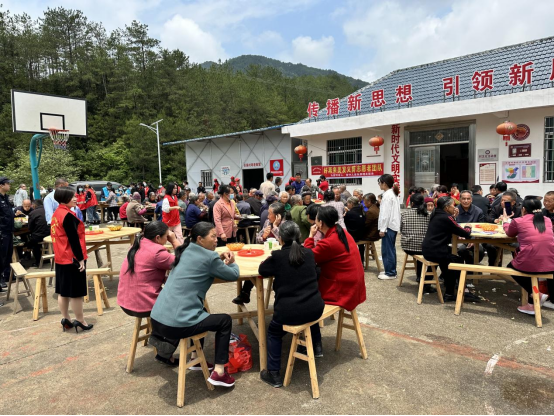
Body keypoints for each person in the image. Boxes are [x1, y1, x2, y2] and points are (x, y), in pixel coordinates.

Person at [149, 222, 239, 387]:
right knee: (225, 321)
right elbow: (233, 274)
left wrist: (217, 259)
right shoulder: (210, 257)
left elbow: (201, 264)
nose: (216, 240)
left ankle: (195, 359)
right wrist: (232, 261)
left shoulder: (185, 250)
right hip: (175, 325)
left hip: (156, 320)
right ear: (200, 239)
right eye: (213, 236)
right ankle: (219, 372)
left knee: (201, 311)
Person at [259, 222, 325, 388]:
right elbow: (316, 272)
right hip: (315, 307)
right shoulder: (309, 253)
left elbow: (262, 270)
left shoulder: (278, 256)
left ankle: (274, 373)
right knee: (308, 313)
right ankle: (317, 348)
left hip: (289, 312)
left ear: (280, 238)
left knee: (274, 333)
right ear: (300, 236)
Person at [304, 206, 367, 356]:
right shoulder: (342, 232)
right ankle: (315, 343)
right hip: (354, 284)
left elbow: (308, 258)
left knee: (306, 300)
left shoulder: (329, 242)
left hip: (343, 289)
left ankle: (314, 344)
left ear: (320, 223)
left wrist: (310, 236)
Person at [500, 199, 554, 315]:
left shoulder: (519, 221)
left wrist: (505, 221)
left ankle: (537, 294)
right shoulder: (547, 220)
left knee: (511, 268)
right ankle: (531, 305)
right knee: (528, 269)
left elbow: (509, 233)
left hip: (530, 261)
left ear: (523, 209)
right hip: (551, 262)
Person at [118, 222, 180, 320]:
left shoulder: (136, 245)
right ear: (157, 238)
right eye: (166, 236)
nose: (167, 239)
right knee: (183, 298)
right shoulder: (157, 252)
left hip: (125, 303)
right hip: (145, 306)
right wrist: (174, 240)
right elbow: (184, 261)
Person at [50, 187, 92, 333]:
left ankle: (66, 319)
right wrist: (80, 259)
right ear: (64, 198)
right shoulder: (67, 215)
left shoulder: (57, 214)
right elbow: (74, 240)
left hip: (60, 257)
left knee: (63, 291)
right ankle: (80, 320)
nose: (75, 199)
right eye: (72, 197)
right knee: (76, 292)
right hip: (71, 258)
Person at [233, 203, 286, 306]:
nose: (267, 216)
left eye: (270, 214)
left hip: (280, 257)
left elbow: (284, 240)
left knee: (260, 269)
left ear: (278, 215)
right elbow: (258, 238)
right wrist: (263, 237)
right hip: (267, 254)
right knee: (255, 267)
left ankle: (246, 293)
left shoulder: (286, 224)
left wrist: (275, 227)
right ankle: (245, 293)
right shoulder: (267, 222)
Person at [422, 197, 474, 302]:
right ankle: (450, 293)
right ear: (446, 207)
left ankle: (432, 286)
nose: (454, 207)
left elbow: (449, 225)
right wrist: (468, 227)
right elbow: (465, 233)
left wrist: (453, 217)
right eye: (453, 205)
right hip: (436, 251)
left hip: (428, 249)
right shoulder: (446, 217)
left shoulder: (436, 214)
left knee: (450, 257)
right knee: (457, 261)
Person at [400, 194, 434, 293]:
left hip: (408, 246)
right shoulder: (429, 214)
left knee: (419, 255)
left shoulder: (404, 214)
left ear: (412, 203)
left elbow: (401, 230)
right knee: (434, 256)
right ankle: (425, 282)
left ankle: (420, 278)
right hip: (424, 247)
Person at [377, 174, 402, 280]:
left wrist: (382, 229)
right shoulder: (391, 193)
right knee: (390, 249)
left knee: (387, 250)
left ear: (384, 184)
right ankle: (390, 270)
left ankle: (390, 273)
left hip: (388, 226)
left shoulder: (387, 195)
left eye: (380, 183)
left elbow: (385, 214)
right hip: (392, 225)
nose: (379, 185)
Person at [25, 200, 50, 268]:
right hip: (50, 234)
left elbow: (30, 228)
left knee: (33, 242)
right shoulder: (48, 210)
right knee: (33, 240)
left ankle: (38, 261)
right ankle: (46, 257)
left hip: (39, 236)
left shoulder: (33, 213)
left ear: (34, 205)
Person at [0, 177, 15, 291]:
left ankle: (7, 275)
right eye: (8, 184)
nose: (9, 185)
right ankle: (1, 279)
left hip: (9, 231)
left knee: (8, 254)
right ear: (1, 185)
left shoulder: (6, 198)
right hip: (2, 232)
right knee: (1, 256)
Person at [344, 196, 366, 264]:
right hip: (362, 235)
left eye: (348, 203)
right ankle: (361, 261)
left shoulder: (349, 213)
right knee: (361, 246)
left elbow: (345, 223)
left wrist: (345, 214)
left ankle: (349, 260)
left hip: (353, 236)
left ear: (352, 204)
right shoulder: (362, 211)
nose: (347, 205)